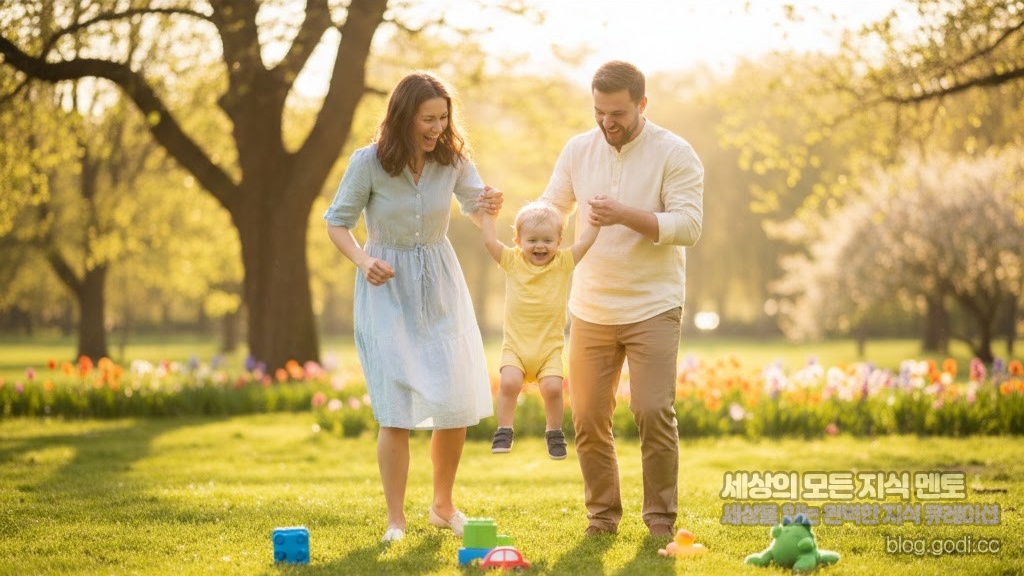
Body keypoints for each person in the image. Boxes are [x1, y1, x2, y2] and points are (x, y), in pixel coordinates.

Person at [324, 71, 501, 544]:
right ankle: (395, 520)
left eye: (443, 118)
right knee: (396, 409)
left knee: (454, 402)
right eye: (427, 119)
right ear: (403, 117)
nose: (437, 128)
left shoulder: (453, 159)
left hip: (441, 287)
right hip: (387, 289)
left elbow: (476, 207)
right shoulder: (368, 163)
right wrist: (364, 260)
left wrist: (489, 205)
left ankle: (443, 506)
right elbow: (337, 222)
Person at [539, 61, 704, 539]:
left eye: (618, 114)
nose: (607, 123)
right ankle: (602, 516)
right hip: (590, 305)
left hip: (653, 305)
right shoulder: (578, 150)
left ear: (642, 105)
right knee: (589, 418)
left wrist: (624, 214)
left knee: (653, 410)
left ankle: (660, 518)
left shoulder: (674, 153)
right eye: (599, 112)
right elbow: (553, 206)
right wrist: (525, 219)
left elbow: (688, 226)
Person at [482, 201, 599, 459]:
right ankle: (504, 429)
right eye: (532, 240)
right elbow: (490, 242)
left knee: (553, 389)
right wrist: (490, 216)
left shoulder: (563, 262)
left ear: (559, 242)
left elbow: (585, 243)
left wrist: (595, 221)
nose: (540, 246)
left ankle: (554, 432)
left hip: (548, 349)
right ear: (518, 241)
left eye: (547, 240)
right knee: (509, 383)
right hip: (516, 347)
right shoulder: (512, 261)